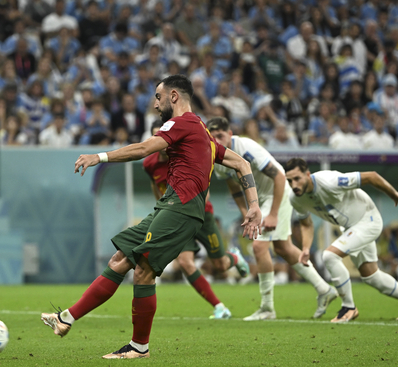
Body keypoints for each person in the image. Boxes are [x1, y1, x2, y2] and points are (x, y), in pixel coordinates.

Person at [41, 74, 262, 359]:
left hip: (182, 207)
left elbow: (145, 148)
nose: (155, 105)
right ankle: (66, 318)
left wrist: (100, 157)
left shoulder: (181, 123)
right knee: (120, 260)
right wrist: (253, 205)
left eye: (158, 97)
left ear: (173, 96)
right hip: (170, 204)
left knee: (143, 270)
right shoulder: (201, 131)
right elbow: (240, 162)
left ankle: (138, 348)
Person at [207, 117, 336, 321]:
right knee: (283, 248)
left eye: (220, 136)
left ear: (230, 134)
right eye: (212, 137)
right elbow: (234, 186)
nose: (217, 140)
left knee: (259, 247)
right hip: (259, 201)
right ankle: (324, 289)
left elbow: (279, 176)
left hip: (276, 193)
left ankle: (267, 308)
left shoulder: (246, 148)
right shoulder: (217, 158)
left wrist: (273, 213)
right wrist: (245, 212)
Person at [284, 158, 398, 322]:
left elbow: (371, 176)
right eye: (289, 180)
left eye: (297, 178)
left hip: (367, 220)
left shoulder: (329, 181)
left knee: (329, 256)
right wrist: (306, 248)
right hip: (351, 228)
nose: (294, 185)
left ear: (307, 174)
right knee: (372, 277)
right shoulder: (295, 198)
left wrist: (395, 195)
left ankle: (348, 307)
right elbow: (306, 224)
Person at [143, 120, 250, 319]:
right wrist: (161, 208)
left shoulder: (184, 156)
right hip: (175, 216)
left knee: (220, 265)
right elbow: (155, 186)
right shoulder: (149, 164)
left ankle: (233, 257)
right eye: (157, 138)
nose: (163, 143)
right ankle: (219, 307)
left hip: (201, 214)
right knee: (185, 262)